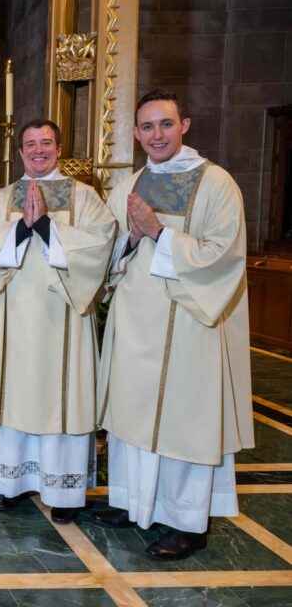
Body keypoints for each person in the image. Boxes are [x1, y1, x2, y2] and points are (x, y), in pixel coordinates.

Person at [95, 89, 254, 560]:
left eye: (165, 124)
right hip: (134, 324)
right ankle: (132, 501)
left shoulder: (216, 183)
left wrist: (160, 232)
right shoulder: (128, 186)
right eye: (146, 127)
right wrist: (130, 237)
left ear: (184, 125)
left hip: (188, 323)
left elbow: (224, 257)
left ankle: (187, 522)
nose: (156, 135)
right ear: (136, 132)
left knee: (184, 422)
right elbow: (108, 255)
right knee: (131, 417)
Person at [0, 119, 115, 522]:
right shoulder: (0, 199)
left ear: (59, 148)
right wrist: (20, 228)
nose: (37, 150)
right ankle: (11, 484)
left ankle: (63, 492)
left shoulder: (85, 198)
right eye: (29, 144)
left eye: (45, 143)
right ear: (19, 152)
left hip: (63, 318)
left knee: (59, 399)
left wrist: (46, 226)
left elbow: (100, 243)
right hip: (12, 318)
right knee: (15, 395)